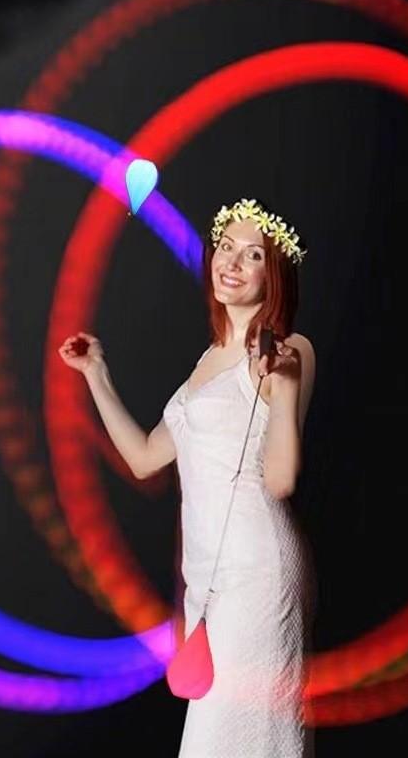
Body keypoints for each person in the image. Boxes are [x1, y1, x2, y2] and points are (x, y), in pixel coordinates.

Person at [58, 197, 317, 757]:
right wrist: (96, 374)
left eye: (253, 255)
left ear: (274, 273)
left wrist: (286, 385)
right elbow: (145, 457)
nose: (232, 263)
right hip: (210, 583)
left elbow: (280, 479)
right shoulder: (206, 360)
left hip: (256, 571)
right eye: (226, 247)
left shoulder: (289, 351)